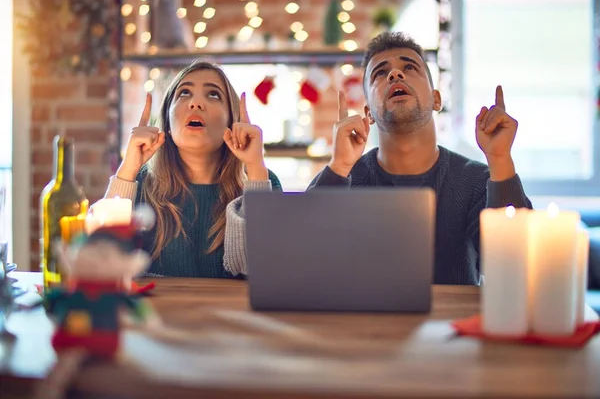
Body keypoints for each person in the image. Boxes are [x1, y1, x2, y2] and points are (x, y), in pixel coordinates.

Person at [308, 32, 532, 285]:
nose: (395, 75)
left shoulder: (476, 180)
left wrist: (500, 158)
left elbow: (515, 263)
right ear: (368, 112)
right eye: (380, 73)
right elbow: (304, 260)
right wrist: (339, 166)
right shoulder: (343, 176)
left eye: (409, 67)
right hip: (366, 325)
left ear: (436, 99)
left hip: (451, 324)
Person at [101, 60, 281, 278]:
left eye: (213, 95)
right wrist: (128, 168)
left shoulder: (263, 180)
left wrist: (255, 168)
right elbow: (102, 261)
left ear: (232, 121)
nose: (196, 103)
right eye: (184, 93)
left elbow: (263, 271)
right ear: (167, 120)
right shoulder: (139, 183)